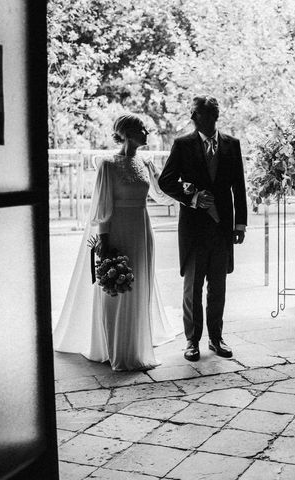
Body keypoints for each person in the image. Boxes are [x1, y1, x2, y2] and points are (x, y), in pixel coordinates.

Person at [53, 114, 179, 371]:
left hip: (142, 231)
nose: (147, 132)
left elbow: (162, 194)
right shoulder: (108, 164)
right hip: (118, 231)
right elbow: (102, 207)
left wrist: (190, 193)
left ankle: (135, 345)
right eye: (142, 128)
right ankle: (114, 347)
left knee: (139, 286)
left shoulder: (147, 162)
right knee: (116, 291)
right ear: (128, 133)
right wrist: (104, 242)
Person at [158, 96, 247, 361]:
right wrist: (192, 197)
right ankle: (192, 341)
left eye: (203, 114)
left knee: (218, 286)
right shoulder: (182, 144)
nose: (197, 119)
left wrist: (240, 224)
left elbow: (239, 188)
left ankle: (216, 338)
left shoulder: (233, 145)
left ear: (213, 116)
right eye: (196, 115)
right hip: (194, 229)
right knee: (193, 288)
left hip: (221, 229)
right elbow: (166, 181)